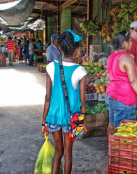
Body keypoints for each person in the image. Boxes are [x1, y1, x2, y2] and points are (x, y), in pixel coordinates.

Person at [41, 30, 88, 174]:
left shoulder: (50, 67)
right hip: (70, 118)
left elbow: (47, 97)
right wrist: (83, 122)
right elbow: (82, 101)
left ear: (61, 48)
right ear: (77, 51)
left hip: (53, 116)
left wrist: (44, 123)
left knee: (58, 152)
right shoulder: (80, 71)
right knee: (68, 154)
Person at [105, 31, 137, 134]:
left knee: (112, 126)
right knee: (123, 132)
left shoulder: (111, 56)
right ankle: (117, 149)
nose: (131, 44)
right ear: (124, 43)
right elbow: (133, 80)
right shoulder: (126, 58)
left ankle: (112, 147)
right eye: (130, 41)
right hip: (123, 98)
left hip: (111, 96)